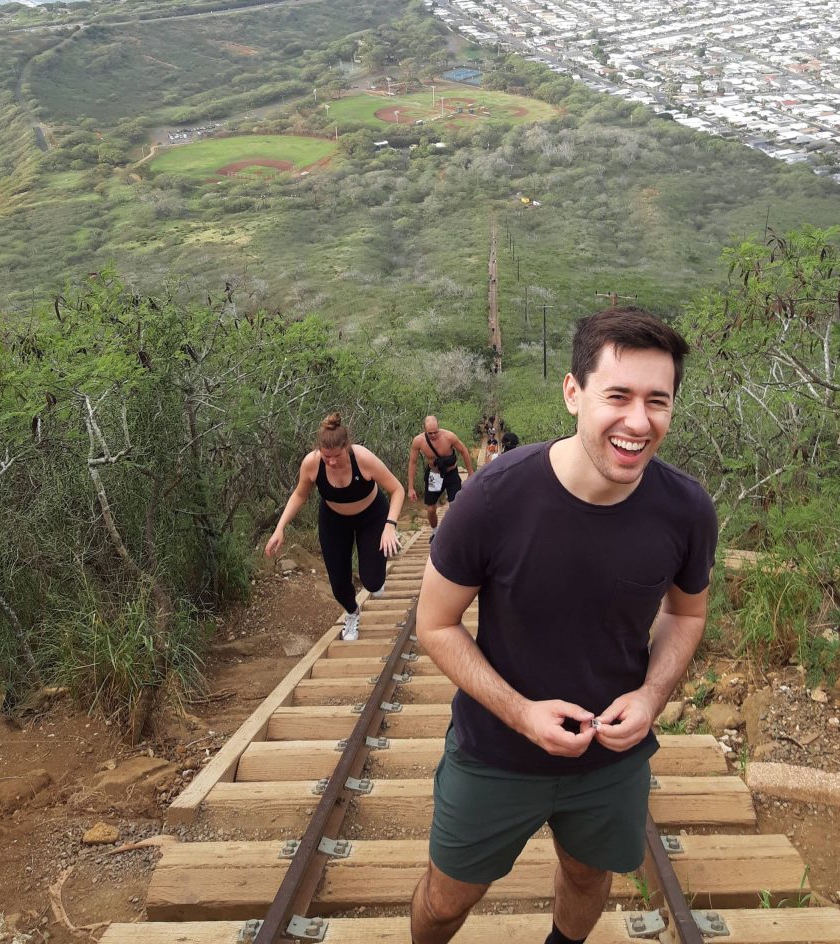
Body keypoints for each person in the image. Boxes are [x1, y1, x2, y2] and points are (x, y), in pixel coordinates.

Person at [410, 307, 717, 944]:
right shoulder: (494, 498)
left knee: (586, 881)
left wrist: (652, 695)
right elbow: (435, 624)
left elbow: (687, 612)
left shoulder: (685, 510)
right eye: (619, 396)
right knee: (444, 903)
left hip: (610, 760)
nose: (639, 421)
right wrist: (521, 713)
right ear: (573, 394)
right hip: (495, 752)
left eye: (657, 401)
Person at [265, 413, 405, 641]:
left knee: (373, 582)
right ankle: (352, 613)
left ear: (346, 447)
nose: (330, 461)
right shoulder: (312, 463)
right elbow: (300, 494)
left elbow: (397, 489)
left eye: (336, 455)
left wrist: (390, 525)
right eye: (326, 456)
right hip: (334, 520)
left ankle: (375, 574)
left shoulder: (363, 459)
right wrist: (280, 528)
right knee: (338, 582)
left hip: (372, 516)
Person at [407, 416, 475, 540]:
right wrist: (410, 487)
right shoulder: (418, 441)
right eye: (430, 433)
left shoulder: (449, 437)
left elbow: (464, 451)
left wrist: (470, 472)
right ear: (424, 429)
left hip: (451, 474)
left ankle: (456, 533)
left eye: (435, 432)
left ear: (439, 427)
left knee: (456, 505)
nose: (433, 435)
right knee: (431, 508)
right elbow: (413, 462)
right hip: (434, 475)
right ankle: (435, 532)